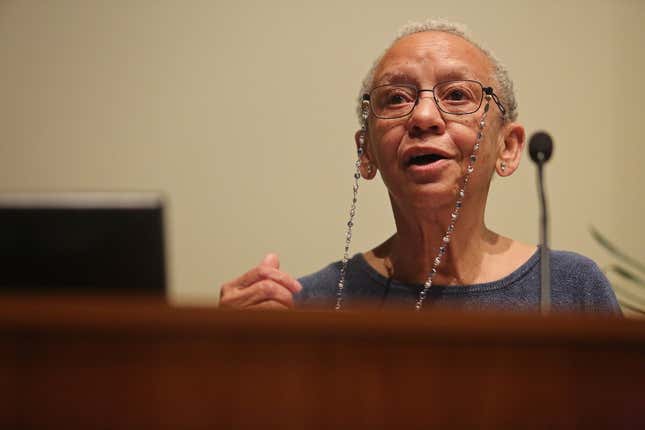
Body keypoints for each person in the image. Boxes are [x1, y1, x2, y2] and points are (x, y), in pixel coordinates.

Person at [219, 19, 621, 314]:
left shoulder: (571, 289)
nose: (424, 116)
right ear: (367, 152)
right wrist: (233, 358)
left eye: (457, 94)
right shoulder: (305, 304)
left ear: (509, 147)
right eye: (395, 98)